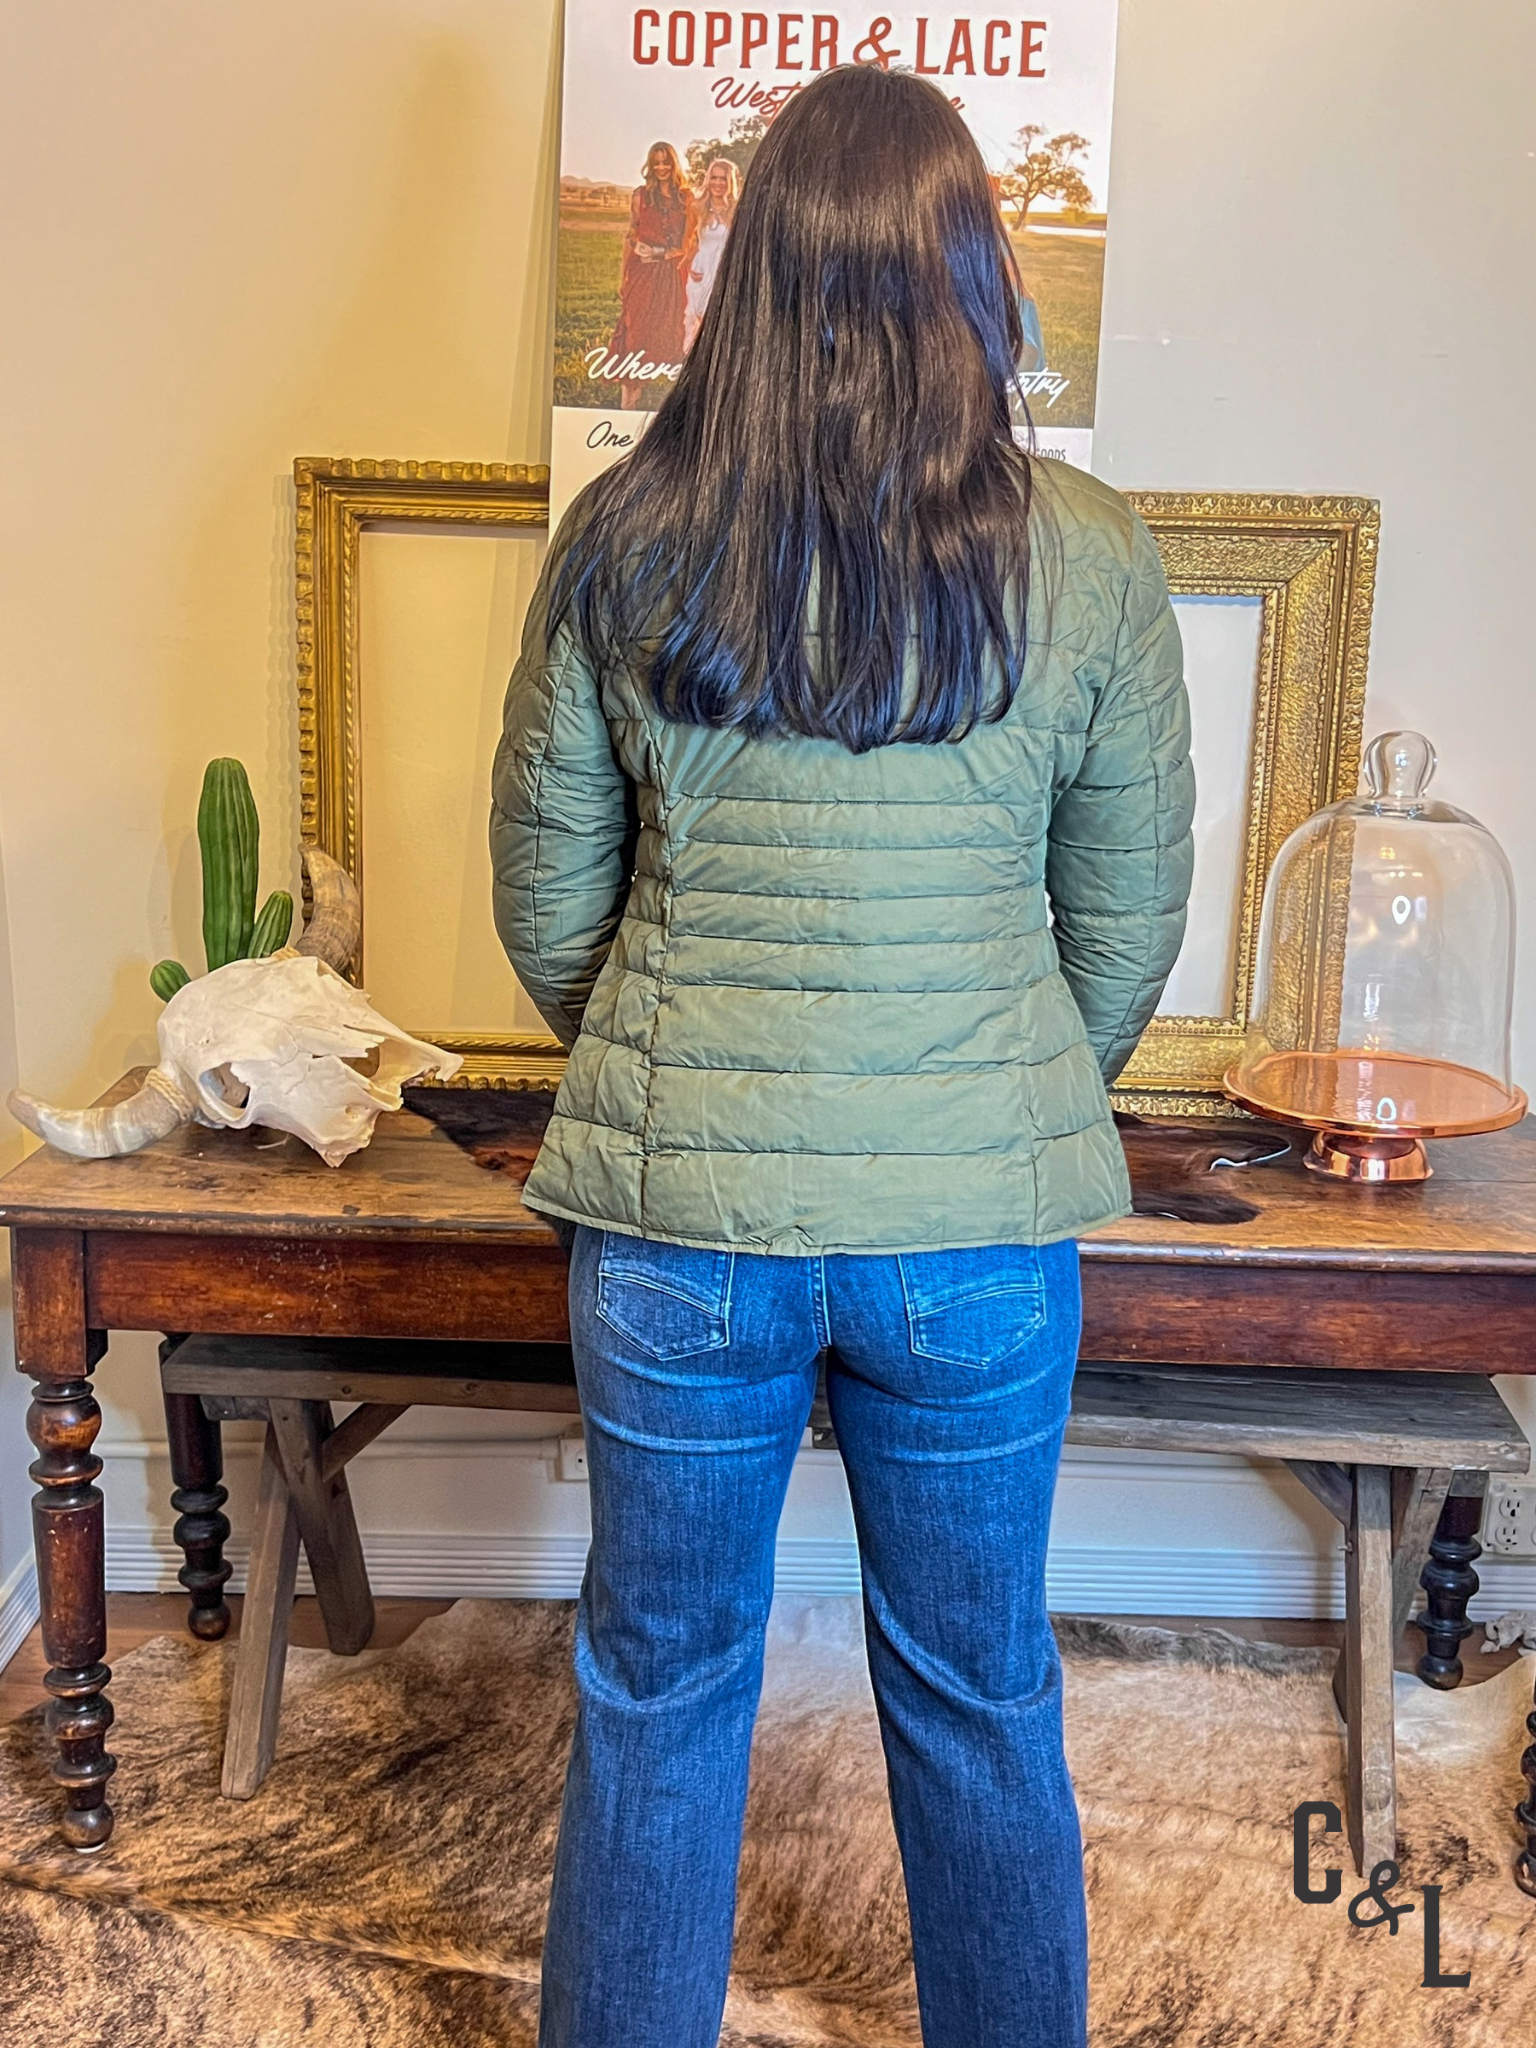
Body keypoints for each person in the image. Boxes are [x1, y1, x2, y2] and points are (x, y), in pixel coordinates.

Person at [491, 62, 1193, 2048]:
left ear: (756, 269)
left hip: (675, 1235)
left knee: (658, 1683)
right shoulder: (1092, 553)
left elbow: (547, 899)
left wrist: (678, 1067)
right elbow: (1123, 926)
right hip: (977, 1239)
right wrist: (997, 1095)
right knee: (981, 1687)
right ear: (973, 273)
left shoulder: (625, 536)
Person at [608, 140, 696, 408]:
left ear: (673, 164)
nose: (661, 167)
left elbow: (688, 243)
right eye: (656, 163)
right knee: (636, 329)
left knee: (673, 332)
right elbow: (631, 235)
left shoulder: (686, 198)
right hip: (642, 273)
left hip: (673, 274)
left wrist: (661, 253)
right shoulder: (640, 196)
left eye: (666, 162)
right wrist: (624, 275)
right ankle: (629, 400)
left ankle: (675, 403)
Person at [683, 155, 741, 351]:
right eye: (714, 178)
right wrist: (691, 265)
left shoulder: (737, 210)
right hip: (702, 271)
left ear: (730, 181)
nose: (718, 183)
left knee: (723, 321)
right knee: (700, 322)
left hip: (726, 271)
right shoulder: (697, 208)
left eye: (723, 178)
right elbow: (689, 240)